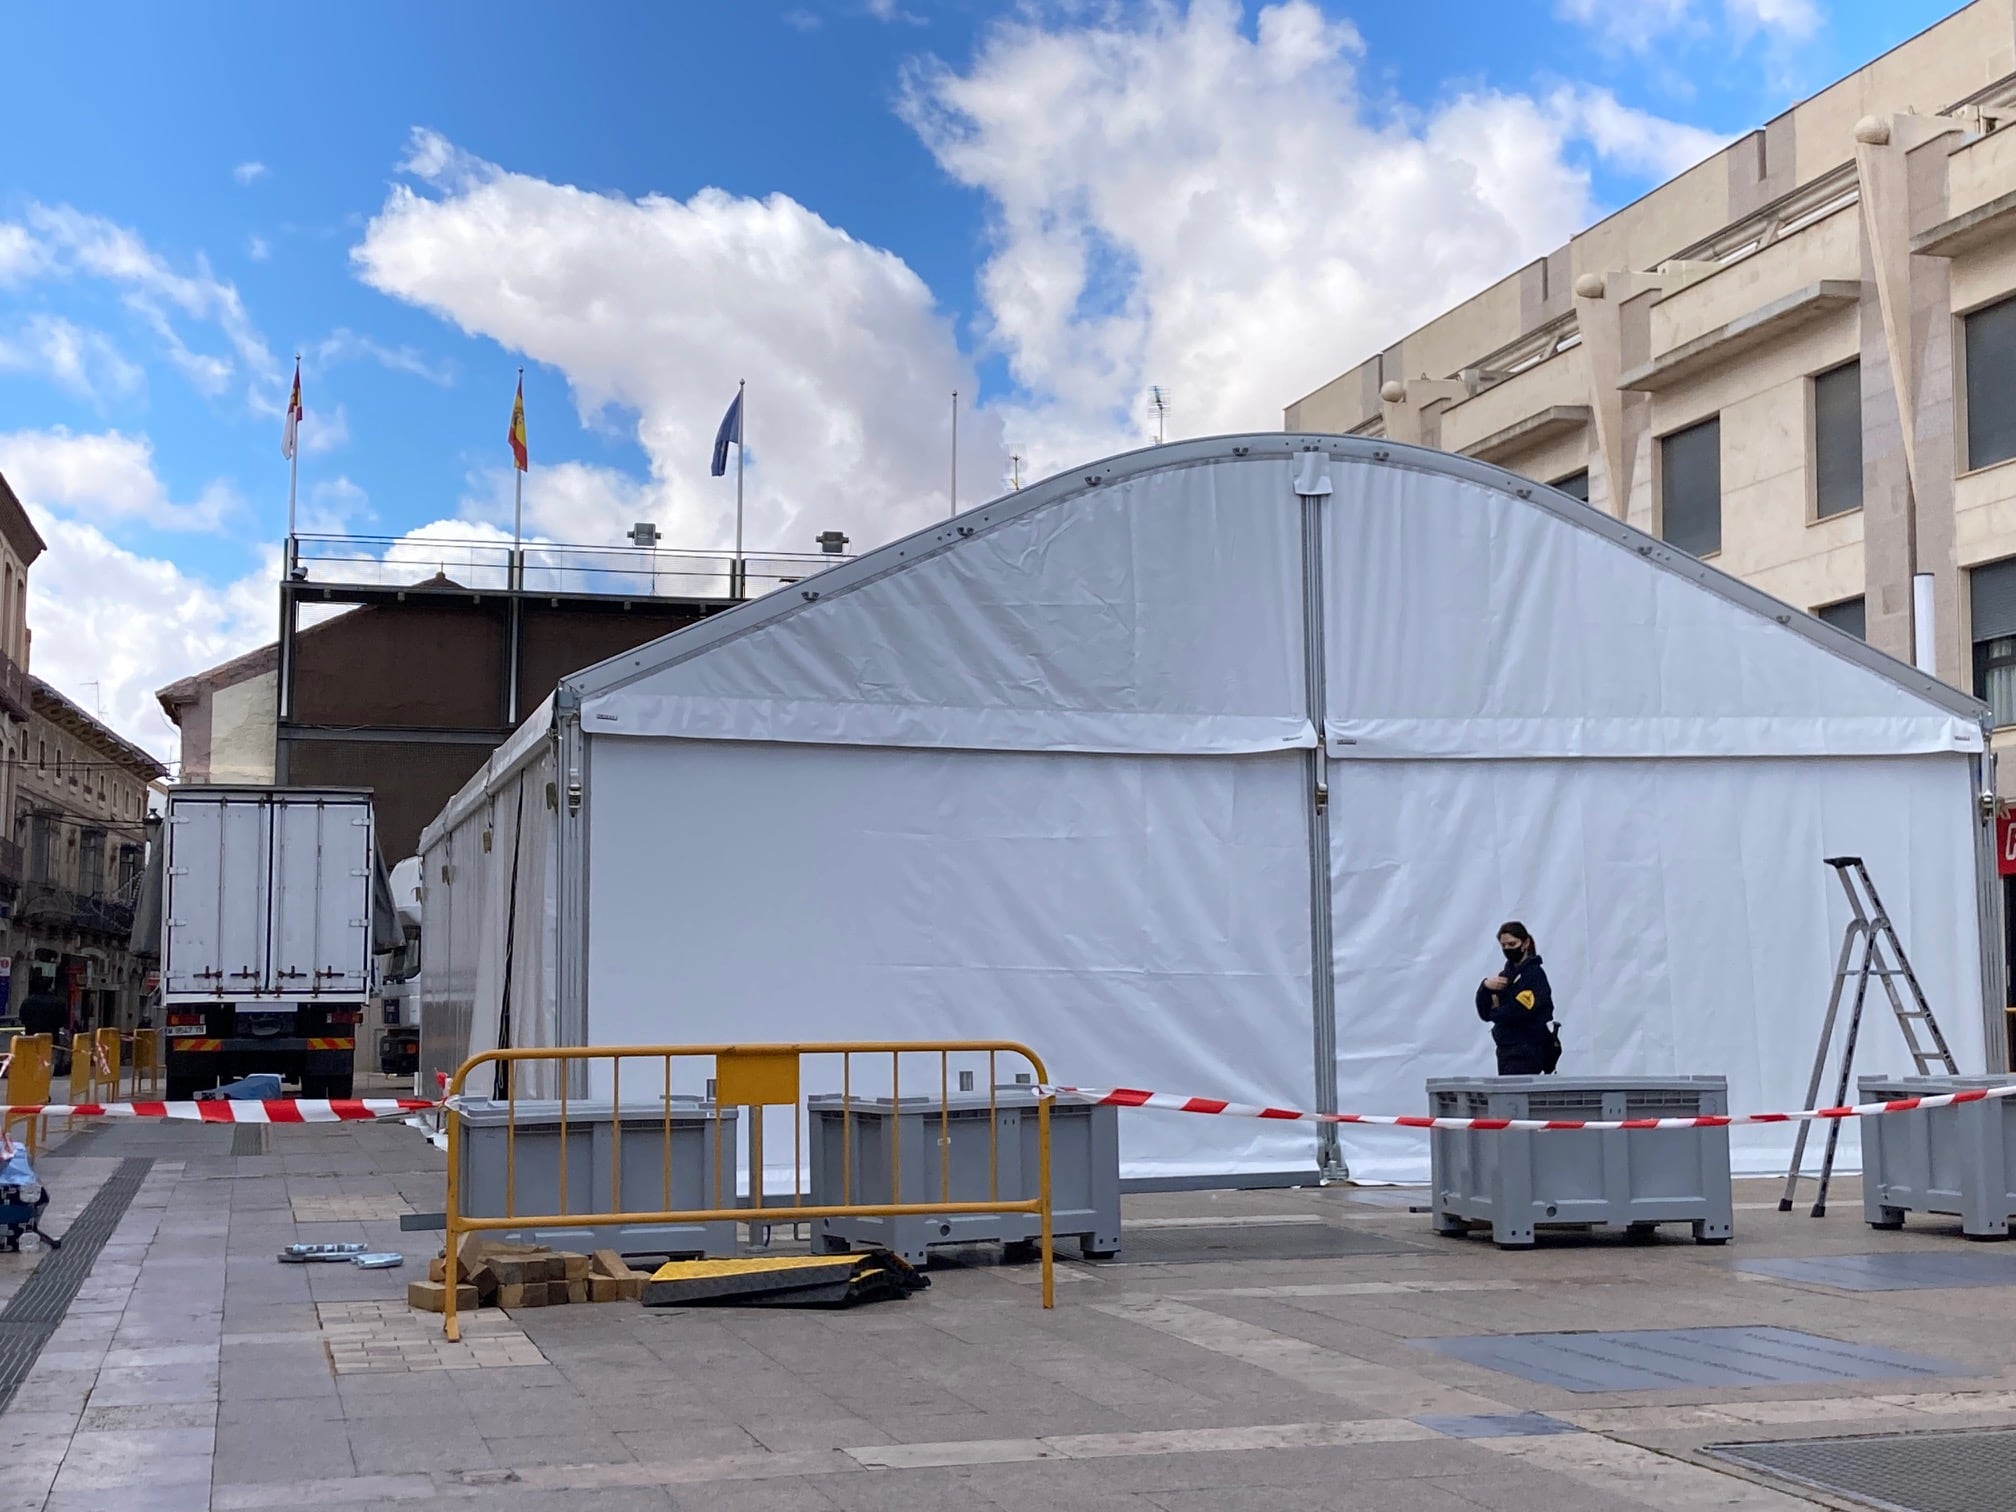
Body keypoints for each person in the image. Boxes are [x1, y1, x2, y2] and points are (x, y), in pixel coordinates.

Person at [1475, 921, 1561, 1076]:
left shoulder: (1533, 975)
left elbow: (1519, 1011)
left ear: (1525, 943)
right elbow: (1484, 1013)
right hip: (1506, 1049)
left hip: (1528, 1049)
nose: (1508, 949)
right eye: (1504, 946)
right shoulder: (1505, 976)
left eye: (1512, 944)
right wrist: (1485, 988)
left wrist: (1497, 1012)